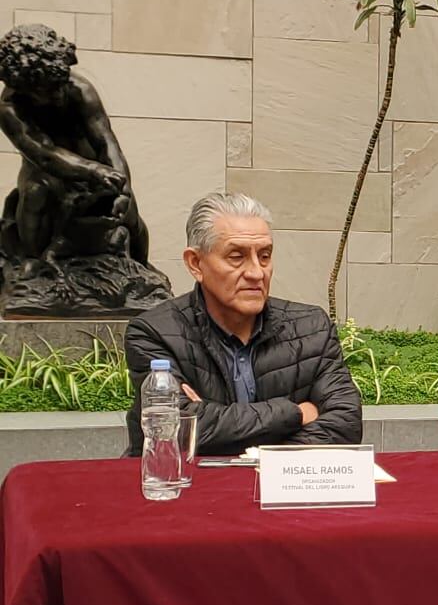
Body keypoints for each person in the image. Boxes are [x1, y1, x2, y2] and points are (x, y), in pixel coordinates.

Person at [124, 192, 362, 456]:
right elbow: (177, 430)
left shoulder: (312, 329)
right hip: (185, 480)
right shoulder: (154, 333)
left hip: (285, 480)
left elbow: (345, 425)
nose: (256, 273)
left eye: (265, 256)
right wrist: (294, 413)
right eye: (236, 257)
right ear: (196, 263)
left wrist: (223, 430)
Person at [0, 24, 150, 276]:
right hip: (48, 173)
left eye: (61, 84)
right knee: (35, 193)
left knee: (131, 214)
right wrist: (94, 171)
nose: (59, 94)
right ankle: (35, 261)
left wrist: (122, 186)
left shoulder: (79, 89)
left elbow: (106, 143)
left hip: (95, 169)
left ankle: (142, 266)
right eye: (49, 90)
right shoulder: (10, 107)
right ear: (25, 88)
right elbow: (44, 155)